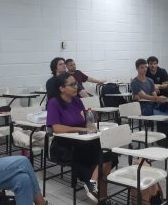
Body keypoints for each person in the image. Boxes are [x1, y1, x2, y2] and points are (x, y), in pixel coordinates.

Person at [46, 72, 117, 203]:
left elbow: (85, 121)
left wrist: (91, 123)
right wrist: (81, 129)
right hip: (64, 145)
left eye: (77, 84)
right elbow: (56, 128)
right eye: (72, 85)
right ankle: (99, 194)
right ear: (61, 88)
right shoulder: (54, 103)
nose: (76, 87)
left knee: (109, 152)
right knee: (97, 157)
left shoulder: (77, 101)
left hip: (83, 141)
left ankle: (94, 184)